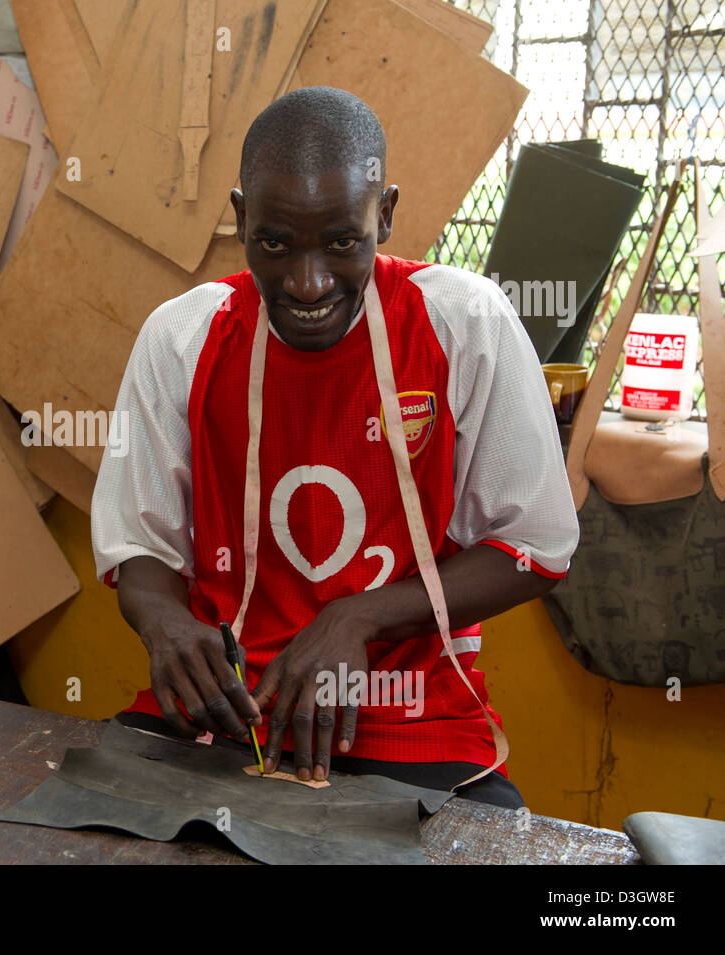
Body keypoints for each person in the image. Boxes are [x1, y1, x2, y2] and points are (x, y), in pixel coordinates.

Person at [90, 86, 579, 808]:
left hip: (412, 723)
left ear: (384, 213)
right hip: (229, 717)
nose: (308, 281)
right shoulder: (182, 336)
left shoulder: (464, 322)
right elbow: (140, 546)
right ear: (241, 217)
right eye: (274, 243)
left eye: (343, 241)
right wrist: (164, 622)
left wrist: (358, 616)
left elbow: (537, 548)